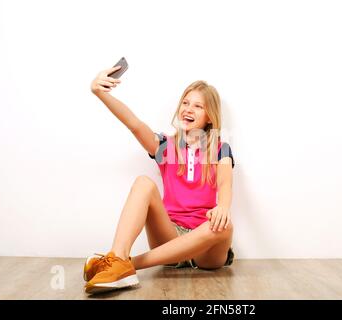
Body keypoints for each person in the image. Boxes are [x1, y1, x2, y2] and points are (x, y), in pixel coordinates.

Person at [83, 65, 235, 294]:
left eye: (197, 105)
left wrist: (222, 207)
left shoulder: (220, 149)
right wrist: (100, 93)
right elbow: (134, 124)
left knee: (225, 226)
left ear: (209, 116)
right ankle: (117, 257)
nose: (188, 108)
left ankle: (127, 264)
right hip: (169, 236)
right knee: (144, 182)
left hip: (206, 247)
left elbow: (225, 182)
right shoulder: (167, 147)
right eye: (185, 102)